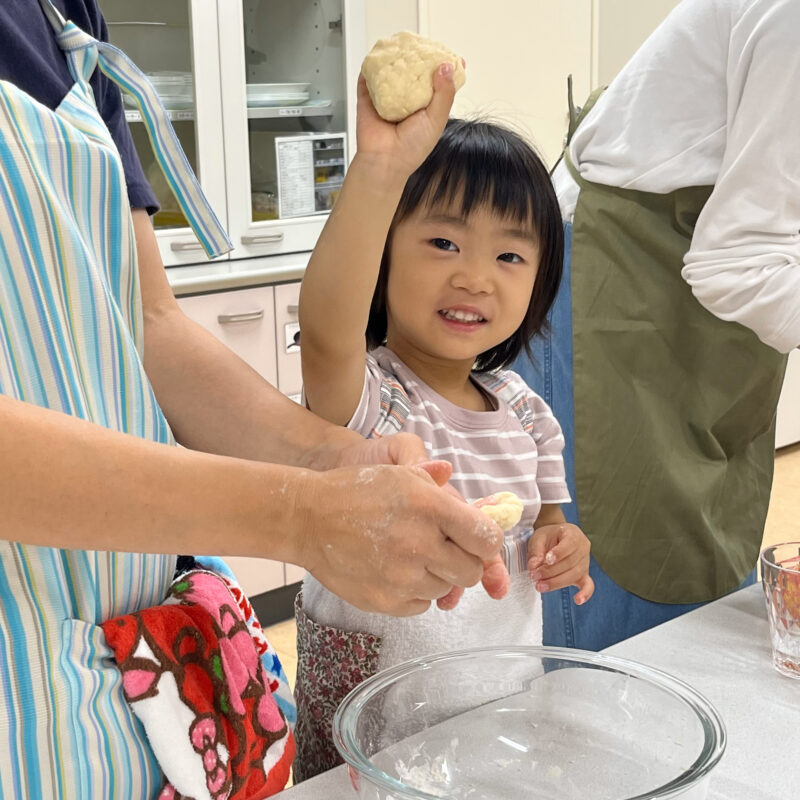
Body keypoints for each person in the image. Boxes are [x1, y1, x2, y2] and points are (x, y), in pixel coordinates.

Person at [0, 2, 510, 797]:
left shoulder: (66, 14)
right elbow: (331, 329)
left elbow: (149, 318)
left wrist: (336, 458)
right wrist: (300, 513)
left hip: (116, 665)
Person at [293, 63, 595, 781]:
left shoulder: (526, 410)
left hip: (495, 707)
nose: (476, 277)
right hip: (373, 723)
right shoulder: (373, 395)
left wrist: (565, 544)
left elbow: (548, 523)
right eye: (443, 243)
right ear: (383, 254)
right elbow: (328, 332)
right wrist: (377, 171)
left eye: (510, 254)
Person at [511, 0, 800, 652]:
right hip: (620, 289)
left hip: (705, 314)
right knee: (623, 591)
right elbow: (735, 262)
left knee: (701, 568)